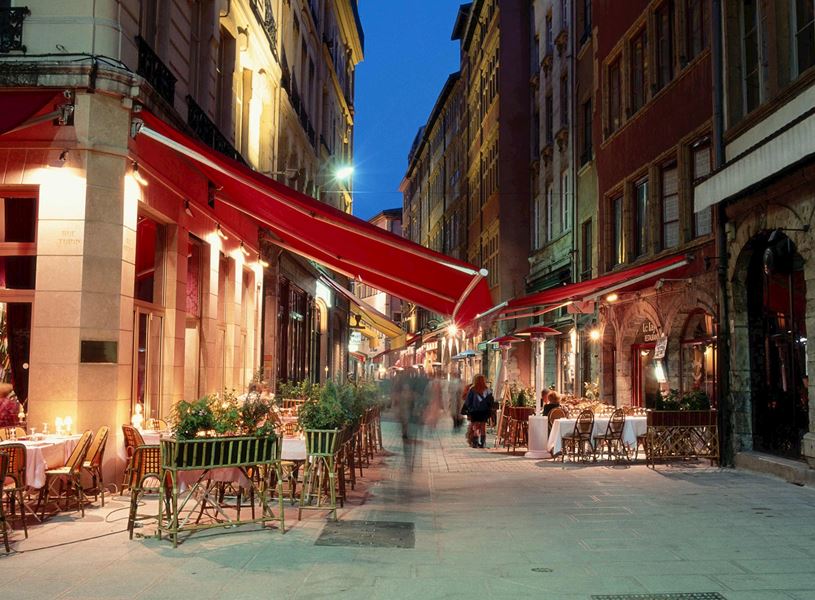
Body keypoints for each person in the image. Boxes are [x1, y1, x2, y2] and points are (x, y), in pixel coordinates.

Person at [462, 374, 494, 448]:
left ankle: (475, 443)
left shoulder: (472, 390)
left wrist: (469, 409)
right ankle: (482, 443)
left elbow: (467, 401)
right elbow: (491, 401)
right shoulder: (487, 390)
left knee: (475, 426)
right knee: (483, 427)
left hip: (474, 411)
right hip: (484, 411)